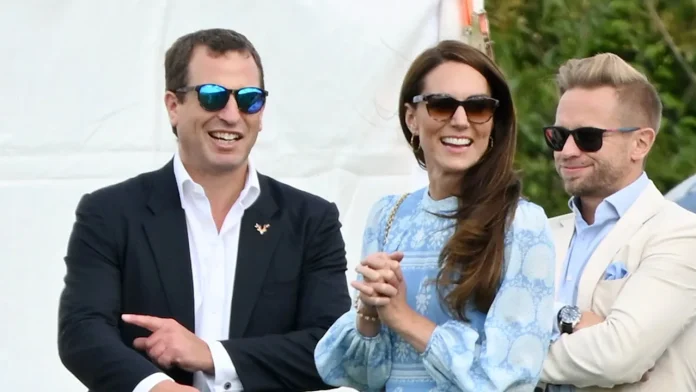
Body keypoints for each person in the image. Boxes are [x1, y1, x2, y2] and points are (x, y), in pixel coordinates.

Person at [57, 28, 351, 392]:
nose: (231, 115)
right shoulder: (110, 212)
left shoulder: (310, 220)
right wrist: (155, 387)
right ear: (173, 106)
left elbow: (332, 348)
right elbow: (82, 331)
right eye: (213, 96)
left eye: (249, 99)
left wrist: (211, 355)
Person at [313, 40, 557, 391]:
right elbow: (360, 377)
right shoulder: (387, 216)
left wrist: (403, 318)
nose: (460, 121)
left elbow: (509, 377)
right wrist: (369, 310)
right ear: (412, 118)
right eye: (442, 105)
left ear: (493, 123)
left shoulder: (521, 224)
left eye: (478, 108)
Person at [538, 53, 696, 391]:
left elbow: (617, 358)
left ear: (640, 142)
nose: (566, 150)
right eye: (558, 135)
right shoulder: (537, 232)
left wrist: (504, 355)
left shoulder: (681, 234)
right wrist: (573, 320)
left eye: (588, 137)